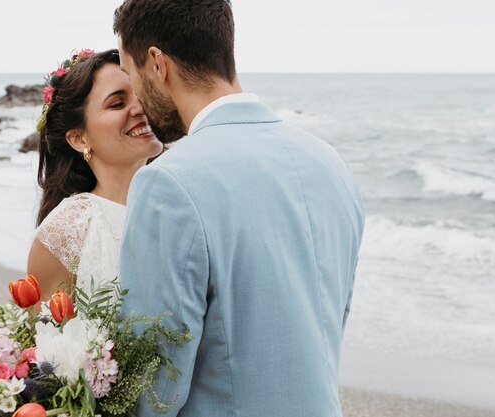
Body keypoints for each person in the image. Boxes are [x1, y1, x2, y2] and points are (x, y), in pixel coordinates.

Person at [113, 1, 365, 416]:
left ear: (157, 64)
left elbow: (152, 387)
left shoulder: (169, 181)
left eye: (130, 71)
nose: (136, 96)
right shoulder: (330, 163)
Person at [27, 48, 163, 299]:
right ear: (78, 139)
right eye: (117, 103)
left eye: (141, 94)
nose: (140, 108)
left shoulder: (180, 203)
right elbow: (46, 334)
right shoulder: (65, 234)